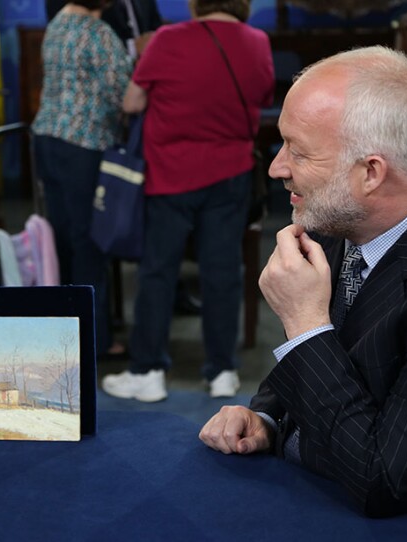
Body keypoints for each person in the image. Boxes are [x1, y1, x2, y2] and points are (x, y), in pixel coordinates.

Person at [199, 46, 407, 540]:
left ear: (372, 173)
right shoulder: (345, 211)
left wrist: (302, 324)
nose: (276, 167)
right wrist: (269, 414)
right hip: (315, 486)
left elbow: (381, 480)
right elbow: (347, 349)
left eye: (299, 150)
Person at [101, 0, 273, 401]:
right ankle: (222, 371)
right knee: (223, 272)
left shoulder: (168, 39)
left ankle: (148, 372)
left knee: (159, 272)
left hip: (170, 173)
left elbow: (132, 102)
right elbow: (263, 96)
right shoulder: (257, 42)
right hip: (231, 174)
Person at [32, 0, 132, 360]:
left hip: (46, 138)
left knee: (60, 241)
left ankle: (63, 336)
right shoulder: (101, 33)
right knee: (89, 243)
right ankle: (95, 340)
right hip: (84, 147)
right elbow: (126, 97)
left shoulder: (58, 22)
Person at [46, 0, 163, 58]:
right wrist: (134, 47)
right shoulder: (69, 15)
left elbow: (155, 27)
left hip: (146, 83)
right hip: (92, 91)